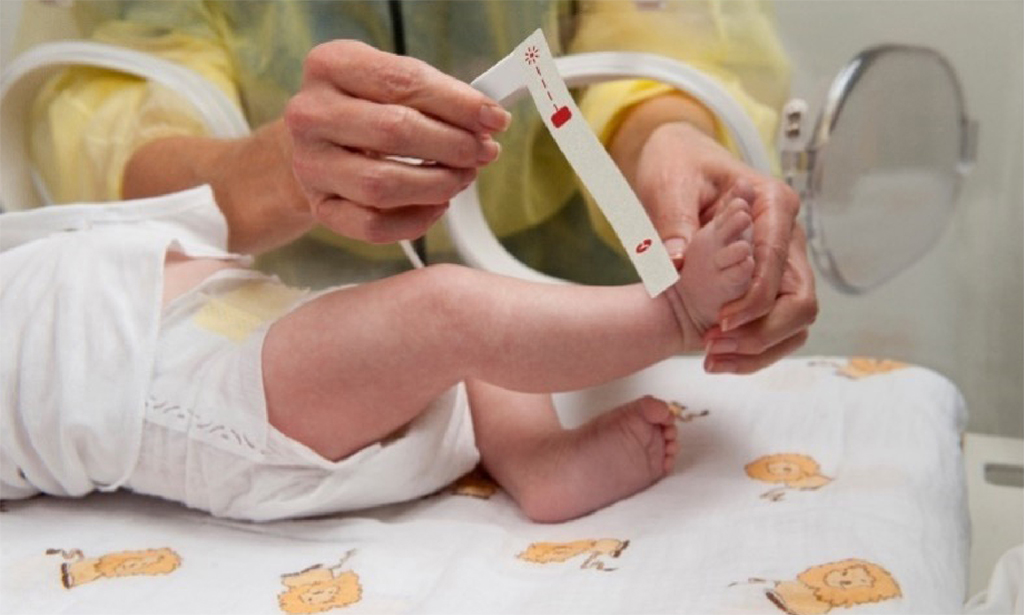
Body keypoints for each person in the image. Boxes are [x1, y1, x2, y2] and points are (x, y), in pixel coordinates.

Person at [22, 0, 817, 375]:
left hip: (582, 299)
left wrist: (667, 135)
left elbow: (649, 27)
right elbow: (112, 116)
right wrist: (275, 173)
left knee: (520, 376)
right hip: (290, 311)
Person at [2, 181, 756, 522]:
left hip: (249, 321)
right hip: (212, 395)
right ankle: (677, 315)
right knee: (448, 312)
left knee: (467, 332)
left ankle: (534, 456)